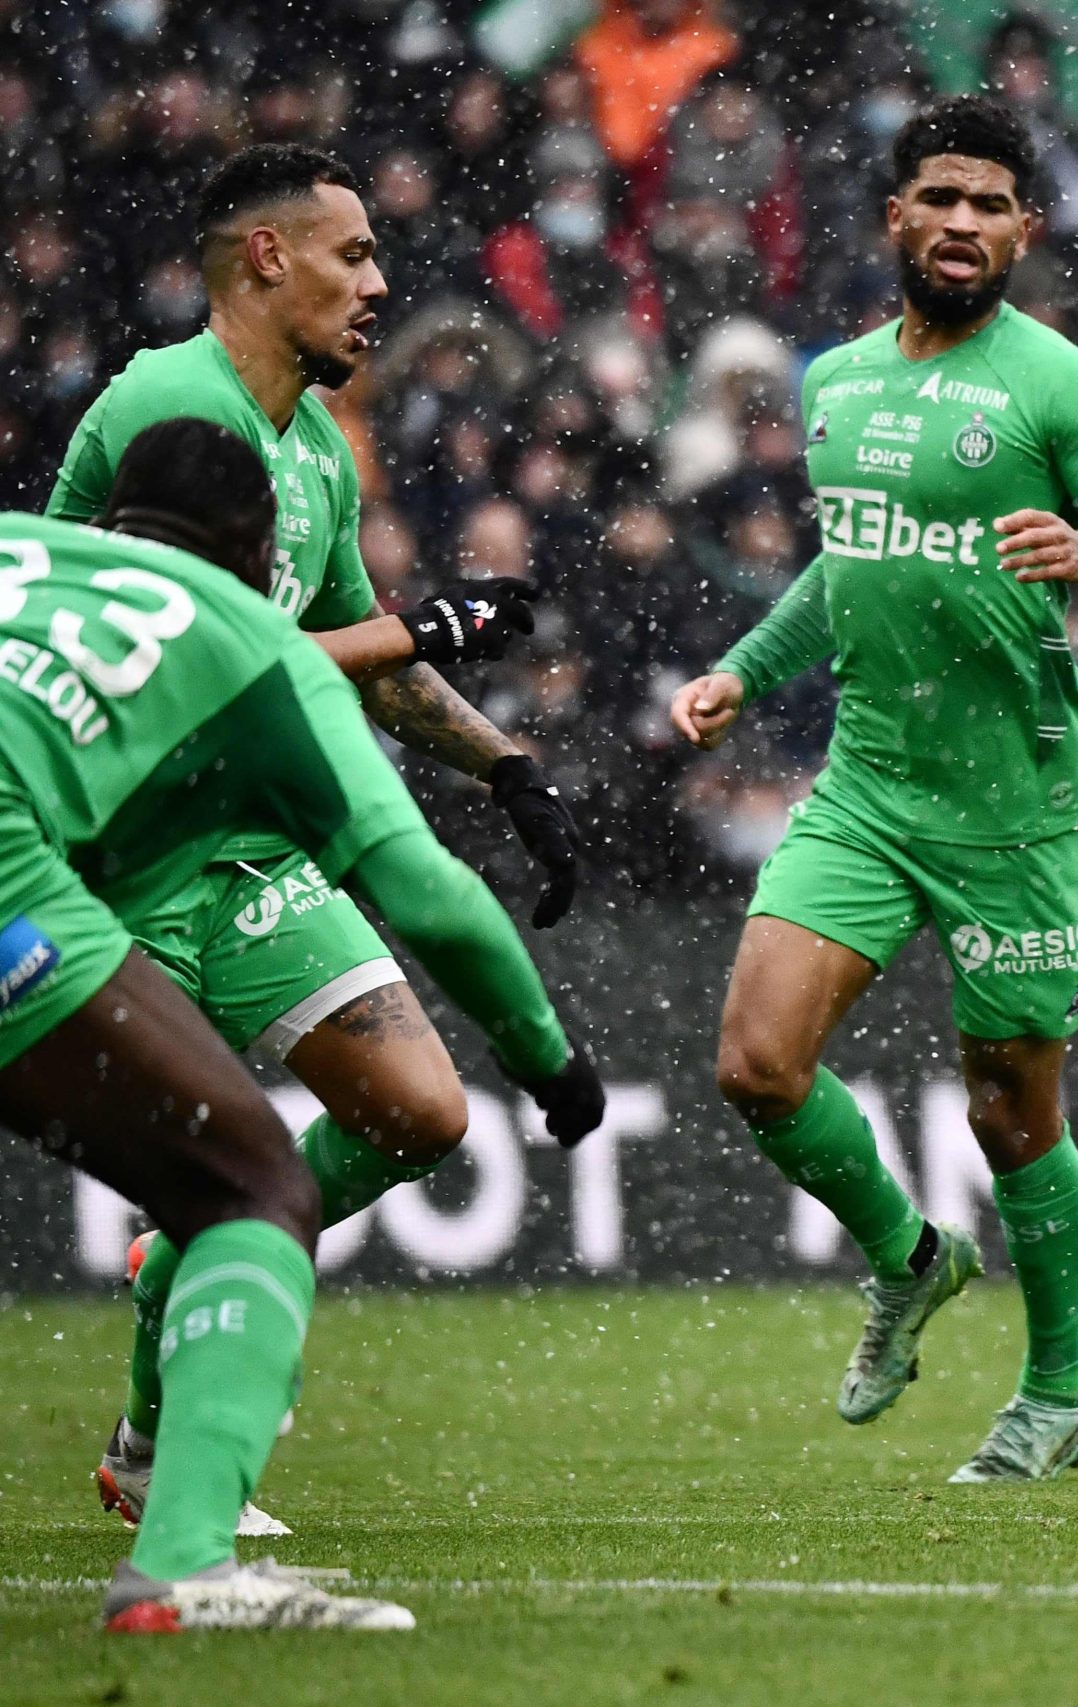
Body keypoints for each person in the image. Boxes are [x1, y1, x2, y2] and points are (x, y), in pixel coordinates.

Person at [45, 144, 596, 1530]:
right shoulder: (169, 409)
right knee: (239, 1173)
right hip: (114, 862)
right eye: (353, 257)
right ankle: (164, 1459)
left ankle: (172, 1301)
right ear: (267, 258)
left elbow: (353, 660)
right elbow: (196, 649)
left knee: (418, 1112)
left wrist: (503, 761)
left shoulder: (316, 454)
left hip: (247, 852)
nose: (381, 282)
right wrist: (427, 621)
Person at [668, 97, 1078, 1483]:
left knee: (1009, 1110)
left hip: (1016, 807)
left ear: (1025, 229)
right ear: (895, 216)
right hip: (868, 784)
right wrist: (740, 666)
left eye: (990, 204)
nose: (964, 223)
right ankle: (909, 1256)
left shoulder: (1064, 386)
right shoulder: (834, 380)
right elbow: (849, 564)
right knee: (756, 1065)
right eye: (940, 198)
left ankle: (1057, 1387)